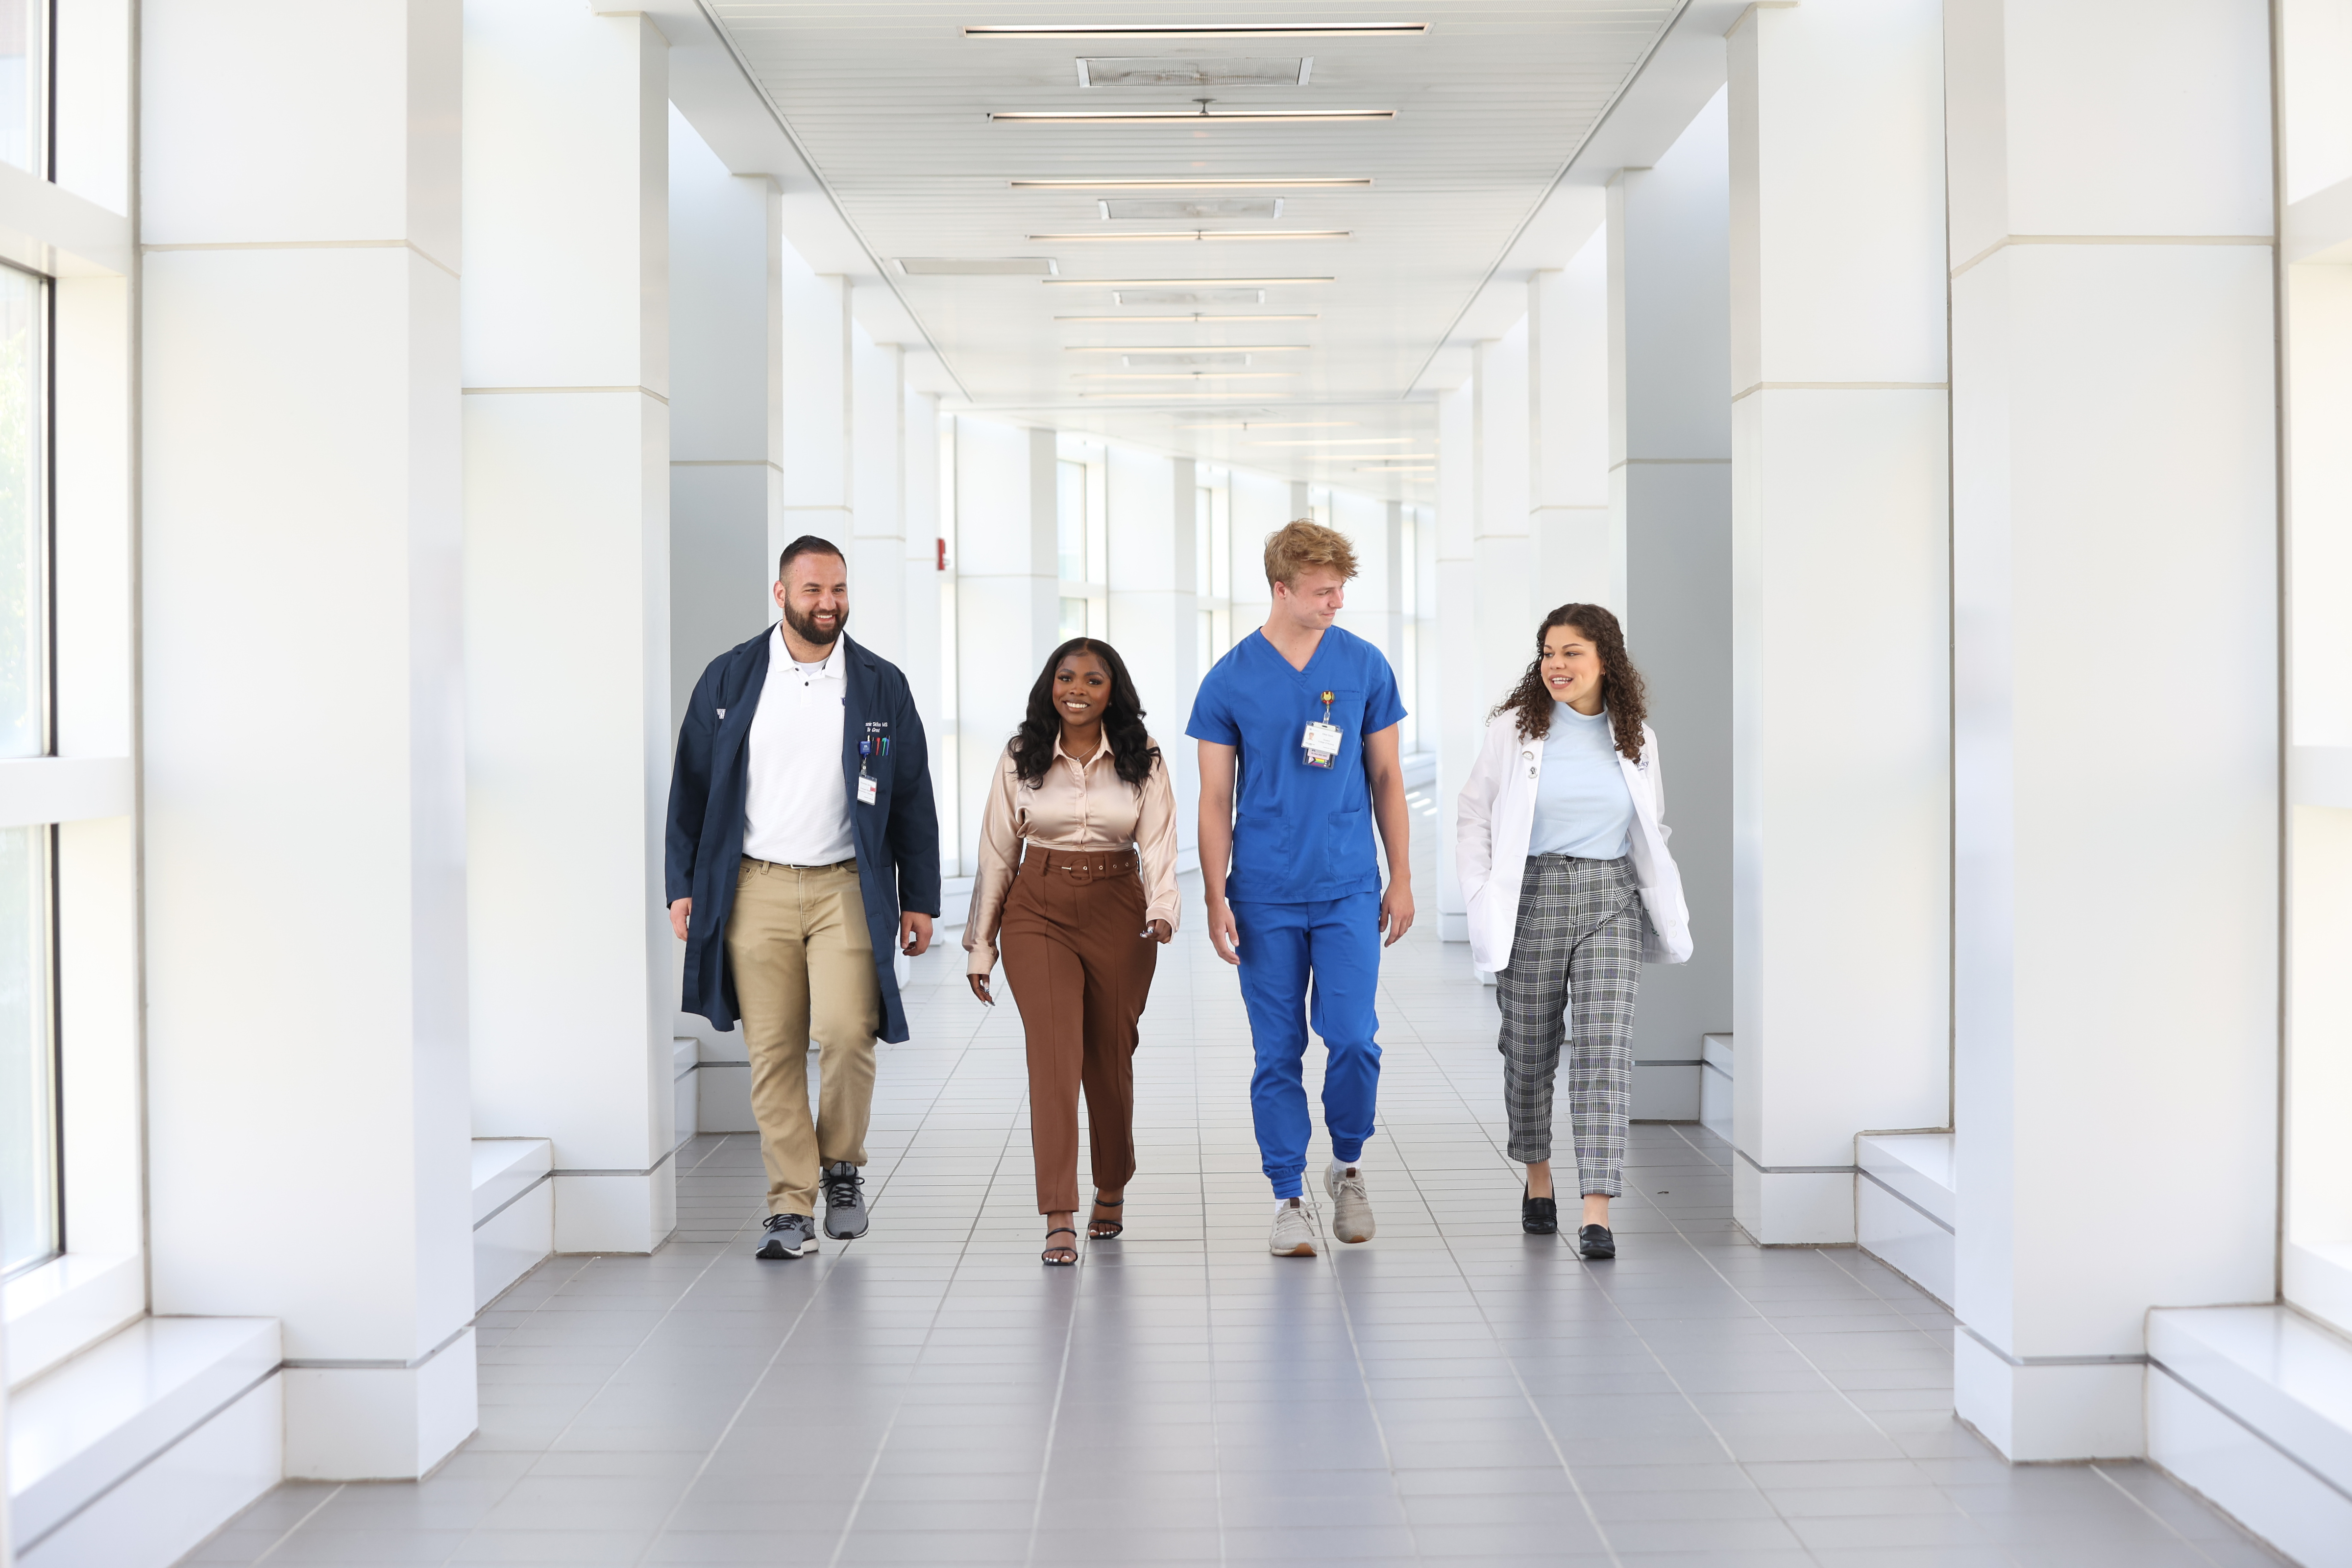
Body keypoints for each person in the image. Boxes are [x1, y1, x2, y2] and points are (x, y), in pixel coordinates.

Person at [664, 536, 941, 1261]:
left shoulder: (880, 684)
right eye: (814, 590)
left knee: (850, 1031)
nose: (829, 604)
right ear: (781, 594)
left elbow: (912, 795)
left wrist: (921, 897)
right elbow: (690, 789)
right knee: (773, 1051)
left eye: (839, 590)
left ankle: (841, 1167)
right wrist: (683, 886)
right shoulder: (731, 679)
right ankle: (789, 1207)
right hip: (753, 885)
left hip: (846, 884)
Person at [1189, 519, 1414, 1258]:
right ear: (1280, 589)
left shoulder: (1364, 666)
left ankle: (1346, 1164)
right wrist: (1218, 896)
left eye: (1342, 589)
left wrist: (1402, 876)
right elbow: (1215, 798)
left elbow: (1386, 777)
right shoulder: (1229, 679)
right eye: (1323, 591)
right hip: (1264, 891)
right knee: (1277, 1049)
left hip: (1349, 883)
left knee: (1353, 1038)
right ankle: (1288, 1195)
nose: (1337, 602)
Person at [1455, 603, 1690, 1260]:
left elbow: (1654, 822)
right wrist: (1480, 892)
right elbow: (1473, 814)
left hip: (1610, 899)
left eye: (1571, 653)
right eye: (1548, 653)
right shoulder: (1514, 731)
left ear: (1604, 660)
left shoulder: (1635, 735)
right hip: (1530, 896)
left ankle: (1597, 1208)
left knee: (1604, 1051)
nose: (1556, 665)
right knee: (1528, 1050)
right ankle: (1537, 1175)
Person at [964, 639, 1179, 1266]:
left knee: (1109, 1057)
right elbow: (997, 851)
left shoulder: (1144, 757)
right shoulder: (1020, 755)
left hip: (1119, 905)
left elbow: (1160, 839)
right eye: (1065, 676)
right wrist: (982, 944)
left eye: (1092, 678)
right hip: (1038, 907)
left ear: (1114, 690)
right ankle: (1059, 1210)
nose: (1076, 688)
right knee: (1054, 1055)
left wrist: (1162, 908)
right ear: (1049, 684)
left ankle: (1110, 1183)